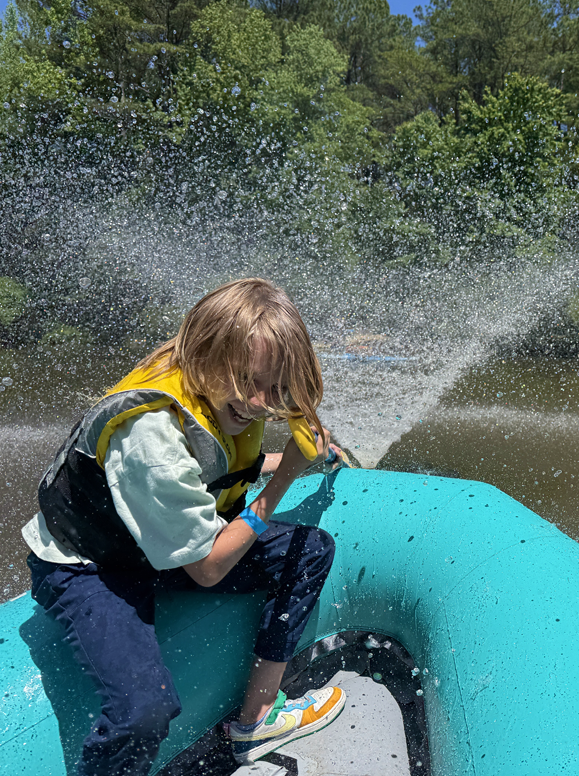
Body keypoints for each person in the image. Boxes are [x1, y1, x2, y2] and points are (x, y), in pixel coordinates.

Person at [22, 278, 346, 776]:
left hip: (161, 541)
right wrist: (284, 478)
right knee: (142, 712)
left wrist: (298, 451)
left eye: (276, 388)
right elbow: (209, 569)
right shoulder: (150, 432)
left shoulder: (220, 379)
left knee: (310, 549)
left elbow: (213, 461)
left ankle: (256, 720)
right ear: (206, 355)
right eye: (250, 382)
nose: (262, 402)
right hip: (93, 566)